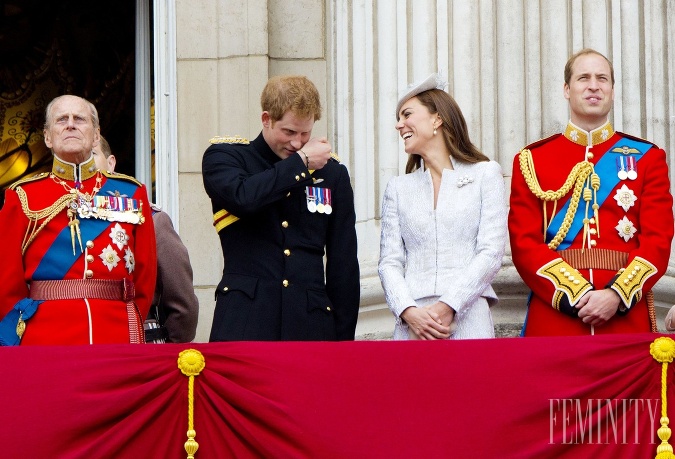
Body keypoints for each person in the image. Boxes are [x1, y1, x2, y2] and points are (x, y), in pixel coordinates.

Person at [509, 49, 674, 336]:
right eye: (583, 78)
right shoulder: (532, 159)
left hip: (624, 317)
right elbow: (523, 244)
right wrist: (576, 295)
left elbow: (658, 241)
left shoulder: (647, 157)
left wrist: (616, 296)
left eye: (602, 78)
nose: (594, 85)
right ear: (566, 90)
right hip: (555, 317)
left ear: (612, 90)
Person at [202, 75, 360, 341]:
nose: (297, 143)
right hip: (245, 324)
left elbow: (343, 264)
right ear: (266, 119)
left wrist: (343, 344)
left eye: (305, 133)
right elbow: (244, 198)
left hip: (310, 328)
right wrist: (301, 163)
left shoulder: (333, 174)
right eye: (288, 132)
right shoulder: (227, 157)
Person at [0, 95, 157, 345]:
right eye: (62, 119)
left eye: (80, 119)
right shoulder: (22, 196)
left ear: (96, 136)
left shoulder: (132, 193)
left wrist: (131, 321)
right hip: (44, 337)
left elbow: (145, 277)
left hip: (115, 333)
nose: (71, 124)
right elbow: (7, 285)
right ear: (48, 137)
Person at [378, 73, 508, 340]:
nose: (399, 125)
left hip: (468, 317)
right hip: (412, 324)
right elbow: (389, 262)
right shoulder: (398, 188)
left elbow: (491, 252)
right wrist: (408, 311)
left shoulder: (486, 174)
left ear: (437, 118)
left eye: (407, 114)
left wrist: (449, 305)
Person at [92, 136, 199, 343]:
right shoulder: (58, 221)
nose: (85, 164)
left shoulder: (150, 219)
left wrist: (167, 348)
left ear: (111, 163)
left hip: (139, 342)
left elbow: (182, 306)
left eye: (92, 155)